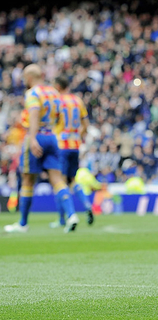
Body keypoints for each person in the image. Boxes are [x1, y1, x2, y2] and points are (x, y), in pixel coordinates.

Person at [4, 64, 79, 234]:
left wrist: (33, 137)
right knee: (57, 179)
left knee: (28, 179)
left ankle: (23, 223)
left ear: (29, 77)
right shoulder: (54, 92)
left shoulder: (33, 93)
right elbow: (60, 115)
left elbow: (34, 114)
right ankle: (72, 215)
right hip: (52, 136)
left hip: (36, 136)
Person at [50, 75, 93, 228]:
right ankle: (87, 205)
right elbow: (86, 124)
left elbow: (52, 122)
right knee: (72, 180)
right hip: (75, 146)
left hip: (61, 145)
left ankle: (66, 217)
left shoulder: (57, 102)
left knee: (59, 181)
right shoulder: (77, 101)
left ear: (58, 86)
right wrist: (78, 137)